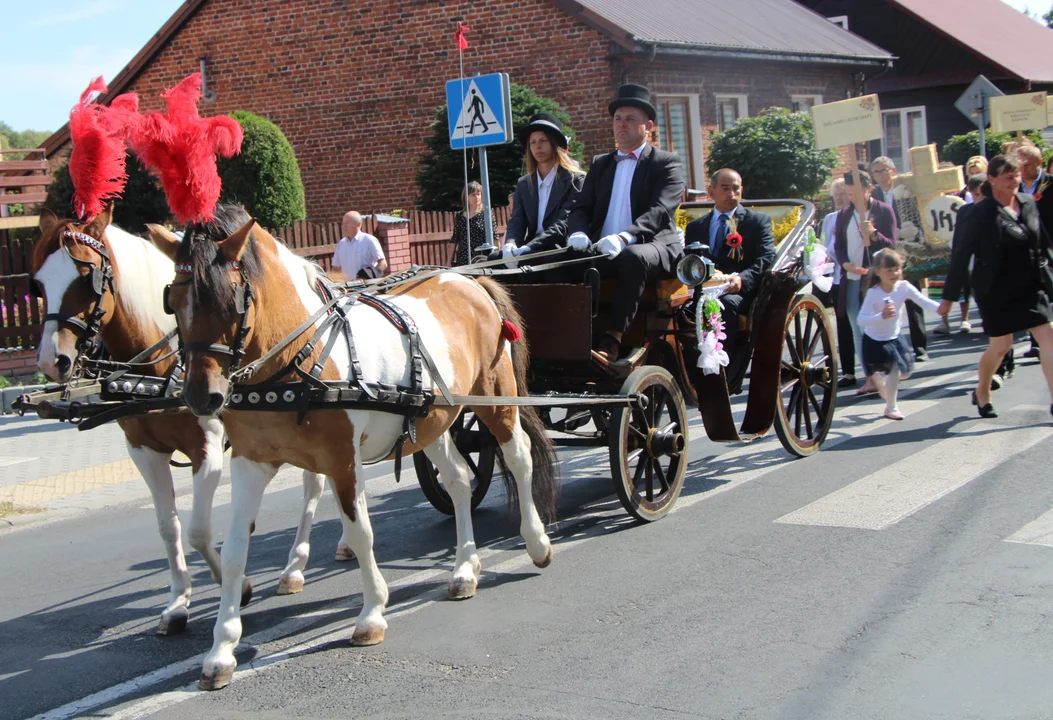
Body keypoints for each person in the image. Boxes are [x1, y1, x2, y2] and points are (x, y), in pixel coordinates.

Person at [530, 83, 685, 363]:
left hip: (653, 246)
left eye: (630, 119)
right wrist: (577, 232)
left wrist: (626, 236)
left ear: (647, 125)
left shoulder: (666, 162)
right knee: (557, 262)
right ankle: (567, 335)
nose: (622, 125)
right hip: (605, 246)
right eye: (617, 119)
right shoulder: (601, 163)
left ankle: (613, 338)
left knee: (633, 257)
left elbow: (661, 210)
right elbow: (581, 207)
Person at [939, 154, 1053, 419]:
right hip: (996, 288)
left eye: (1016, 175)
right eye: (1008, 176)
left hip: (1030, 285)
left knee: (1048, 339)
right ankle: (982, 390)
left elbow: (1042, 241)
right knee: (1001, 347)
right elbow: (961, 255)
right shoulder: (980, 213)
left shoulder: (1026, 202)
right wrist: (948, 297)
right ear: (992, 180)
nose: (1015, 180)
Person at [684, 168, 776, 354]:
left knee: (726, 306)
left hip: (739, 291)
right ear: (711, 193)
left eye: (736, 189)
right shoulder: (695, 227)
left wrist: (743, 278)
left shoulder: (757, 222)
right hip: (704, 288)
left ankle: (728, 369)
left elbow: (766, 257)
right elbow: (690, 260)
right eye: (725, 189)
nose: (731, 194)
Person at [835, 166, 898, 397]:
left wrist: (873, 234)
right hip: (852, 279)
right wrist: (845, 264)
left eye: (856, 193)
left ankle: (887, 370)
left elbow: (891, 246)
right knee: (858, 328)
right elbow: (839, 246)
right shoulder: (843, 215)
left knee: (878, 326)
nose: (852, 198)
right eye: (849, 193)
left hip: (875, 281)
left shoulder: (883, 210)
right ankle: (870, 376)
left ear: (869, 188)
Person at [858, 249, 941, 420]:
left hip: (894, 337)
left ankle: (882, 383)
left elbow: (922, 300)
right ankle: (891, 407)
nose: (895, 273)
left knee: (906, 372)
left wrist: (941, 308)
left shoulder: (904, 287)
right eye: (889, 270)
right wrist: (880, 316)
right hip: (874, 340)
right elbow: (861, 319)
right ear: (878, 272)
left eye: (897, 269)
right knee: (894, 373)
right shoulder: (874, 293)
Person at [870, 155, 930, 362]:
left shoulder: (906, 190)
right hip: (885, 253)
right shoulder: (873, 195)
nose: (880, 175)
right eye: (876, 172)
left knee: (912, 297)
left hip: (906, 248)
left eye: (883, 170)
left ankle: (920, 347)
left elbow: (918, 214)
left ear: (892, 171)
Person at [501, 113, 584, 259]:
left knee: (538, 261)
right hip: (530, 248)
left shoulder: (574, 180)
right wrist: (511, 243)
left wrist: (529, 247)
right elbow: (517, 220)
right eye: (532, 142)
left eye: (543, 140)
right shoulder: (524, 184)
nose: (537, 146)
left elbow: (563, 223)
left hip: (559, 248)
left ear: (553, 143)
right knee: (494, 260)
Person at [817, 179, 860, 387]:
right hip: (835, 277)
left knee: (859, 323)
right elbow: (826, 245)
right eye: (836, 195)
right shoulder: (830, 218)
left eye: (843, 193)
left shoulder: (855, 216)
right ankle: (848, 371)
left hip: (854, 273)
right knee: (842, 324)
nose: (839, 198)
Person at [935, 174, 986, 335]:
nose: (981, 199)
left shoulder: (996, 207)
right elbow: (960, 245)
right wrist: (949, 296)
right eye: (976, 195)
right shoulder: (965, 211)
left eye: (984, 194)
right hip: (973, 265)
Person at [1016, 144, 1051, 360]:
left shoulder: (1050, 184)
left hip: (1050, 247)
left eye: (1027, 165)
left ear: (1039, 163)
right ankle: (1035, 342)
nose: (1023, 169)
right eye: (1020, 165)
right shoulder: (1015, 187)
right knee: (1033, 295)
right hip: (1026, 251)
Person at [450, 181, 499, 266]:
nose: (476, 197)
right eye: (473, 195)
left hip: (482, 258)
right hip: (464, 258)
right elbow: (454, 240)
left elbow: (495, 237)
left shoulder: (486, 214)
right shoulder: (460, 216)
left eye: (478, 194)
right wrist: (448, 262)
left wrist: (497, 259)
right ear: (466, 197)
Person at [331, 211, 387, 279]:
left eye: (347, 223)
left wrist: (370, 276)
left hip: (368, 287)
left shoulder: (369, 240)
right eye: (343, 223)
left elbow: (383, 264)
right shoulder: (341, 244)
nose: (344, 226)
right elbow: (335, 269)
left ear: (358, 224)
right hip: (348, 288)